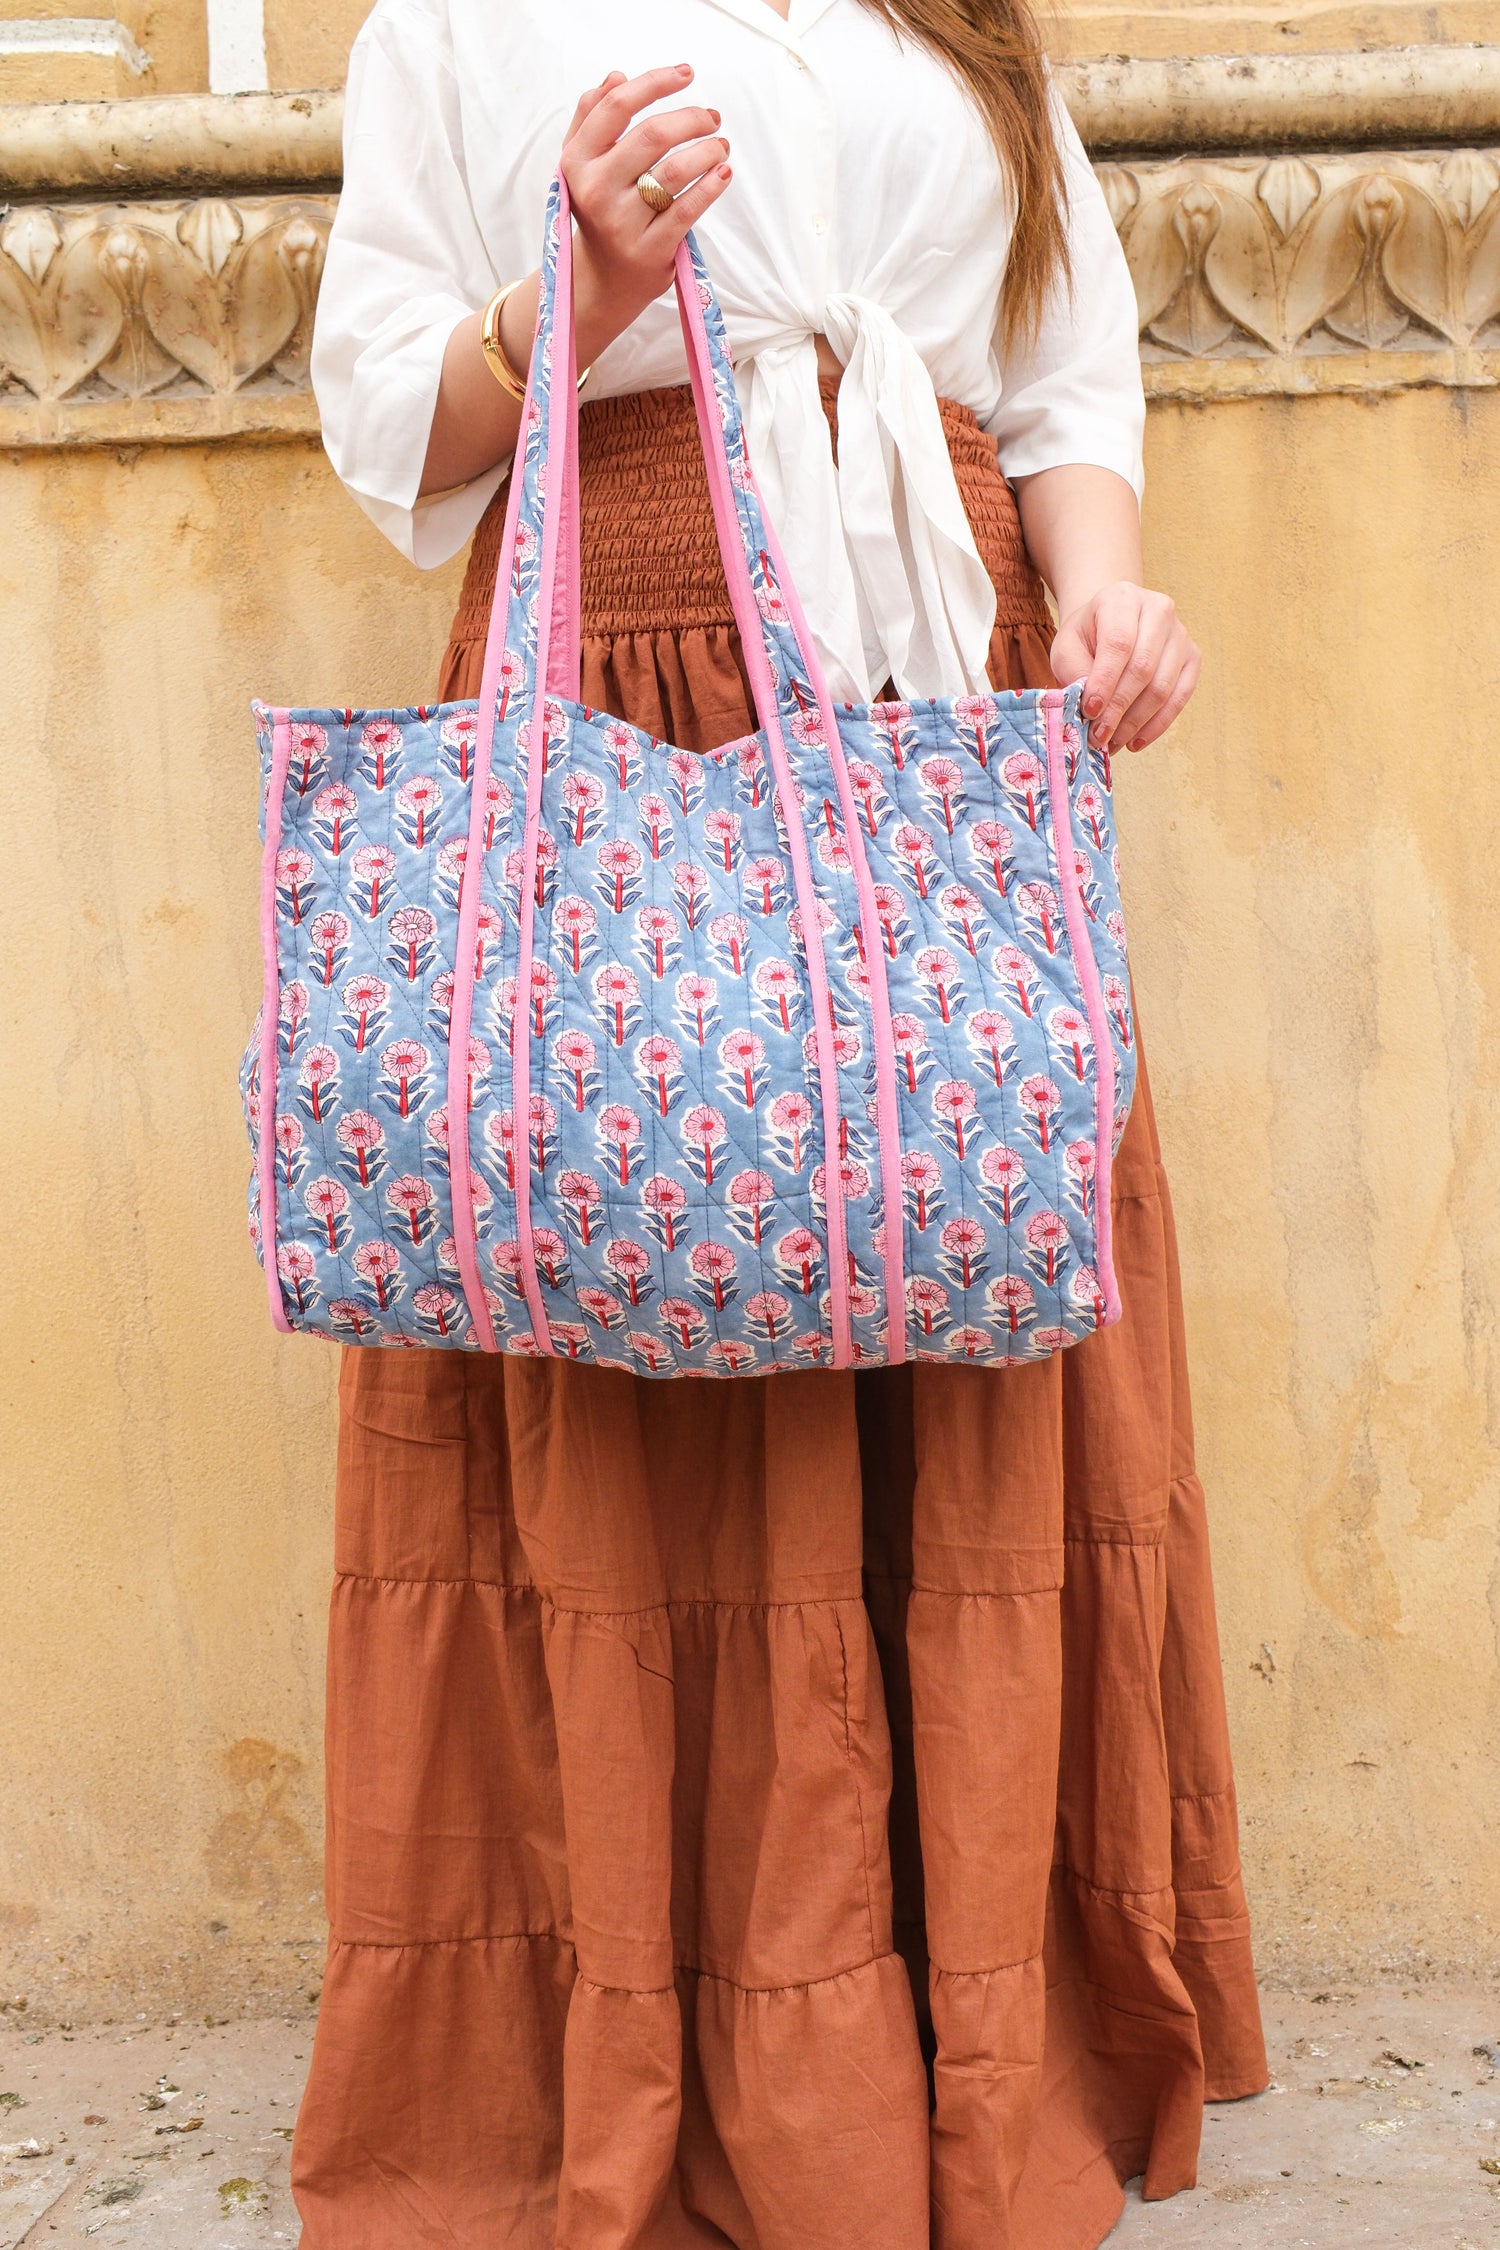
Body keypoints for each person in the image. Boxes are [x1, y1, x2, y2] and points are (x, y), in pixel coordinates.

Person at [299, 2, 1268, 2243]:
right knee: (664, 1328)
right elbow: (382, 420)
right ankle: (704, 2067)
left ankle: (973, 2051)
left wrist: (1099, 600)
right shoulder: (455, 18)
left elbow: (1062, 377)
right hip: (636, 695)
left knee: (967, 1306)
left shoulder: (954, 20)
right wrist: (570, 298)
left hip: (950, 704)